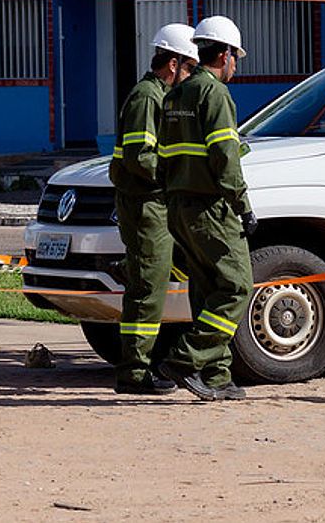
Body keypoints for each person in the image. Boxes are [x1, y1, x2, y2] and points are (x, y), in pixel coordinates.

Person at [156, 15, 258, 402]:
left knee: (206, 288)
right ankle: (187, 359)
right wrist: (243, 206)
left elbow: (163, 156)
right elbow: (225, 157)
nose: (236, 66)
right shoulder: (214, 95)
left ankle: (215, 375)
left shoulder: (175, 95)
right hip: (211, 208)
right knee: (235, 286)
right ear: (227, 54)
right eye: (237, 58)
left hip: (179, 206)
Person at [109, 23, 198, 395]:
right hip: (146, 203)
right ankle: (134, 372)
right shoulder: (148, 97)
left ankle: (129, 267)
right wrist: (175, 177)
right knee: (149, 289)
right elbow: (139, 156)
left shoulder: (161, 95)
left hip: (153, 202)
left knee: (155, 275)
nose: (191, 77)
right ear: (173, 63)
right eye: (190, 69)